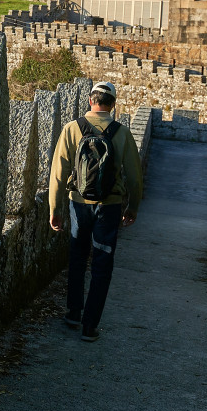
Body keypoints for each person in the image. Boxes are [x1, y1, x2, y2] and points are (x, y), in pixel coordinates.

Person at [48, 81, 143, 341]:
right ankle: (90, 326)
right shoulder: (122, 133)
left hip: (78, 203)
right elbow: (135, 177)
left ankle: (73, 313)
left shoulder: (71, 129)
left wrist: (54, 209)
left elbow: (58, 175)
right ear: (113, 105)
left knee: (78, 256)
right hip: (110, 205)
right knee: (102, 262)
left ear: (91, 101)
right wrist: (132, 206)